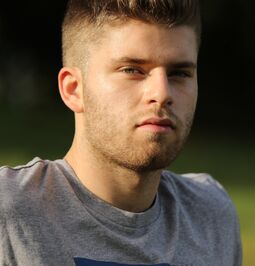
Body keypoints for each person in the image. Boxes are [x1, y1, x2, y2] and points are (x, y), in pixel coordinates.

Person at [0, 0, 242, 265]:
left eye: (179, 73)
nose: (162, 94)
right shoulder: (11, 214)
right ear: (73, 89)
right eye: (132, 70)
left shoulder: (210, 216)